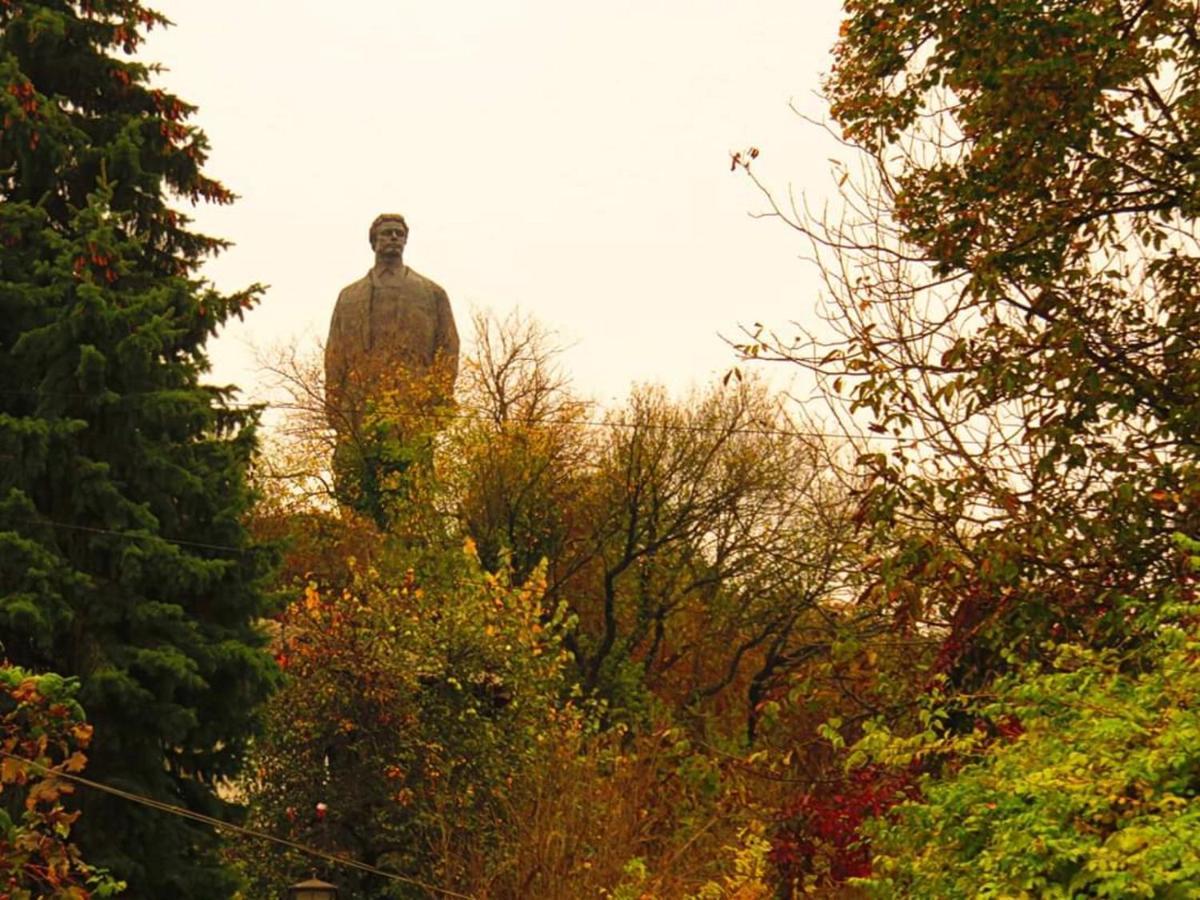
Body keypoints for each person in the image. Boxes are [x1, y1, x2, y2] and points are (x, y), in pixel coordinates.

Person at [324, 213, 459, 433]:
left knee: (416, 465)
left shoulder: (432, 293)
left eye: (400, 234)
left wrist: (440, 396)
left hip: (414, 398)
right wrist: (333, 401)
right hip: (358, 399)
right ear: (374, 241)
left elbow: (448, 346)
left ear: (406, 240)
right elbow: (334, 352)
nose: (394, 237)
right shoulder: (348, 296)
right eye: (387, 233)